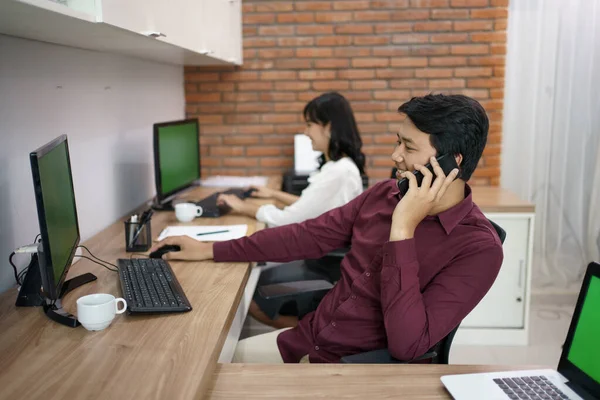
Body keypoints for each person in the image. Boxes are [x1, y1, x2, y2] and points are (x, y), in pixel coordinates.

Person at [150, 94, 504, 364]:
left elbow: (407, 345)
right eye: (398, 141)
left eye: (408, 147)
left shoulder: (478, 248)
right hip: (309, 341)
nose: (395, 156)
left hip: (352, 371)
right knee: (206, 361)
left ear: (451, 163)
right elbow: (305, 235)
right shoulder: (383, 194)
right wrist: (209, 249)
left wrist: (403, 230)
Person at [216, 91, 366, 228]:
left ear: (329, 128)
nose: (306, 132)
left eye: (309, 125)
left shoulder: (339, 172)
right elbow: (309, 206)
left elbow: (285, 220)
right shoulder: (338, 166)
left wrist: (241, 206)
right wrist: (274, 194)